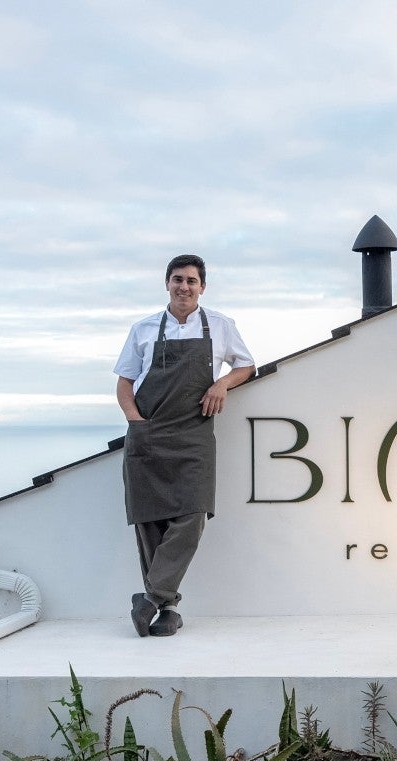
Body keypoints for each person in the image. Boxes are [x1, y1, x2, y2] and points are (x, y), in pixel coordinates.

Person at [113, 254, 255, 637]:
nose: (184, 287)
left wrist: (221, 384)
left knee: (192, 515)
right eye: (177, 279)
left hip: (193, 434)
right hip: (149, 431)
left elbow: (246, 365)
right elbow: (125, 382)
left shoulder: (221, 326)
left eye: (192, 281)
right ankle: (167, 610)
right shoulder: (143, 328)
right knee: (149, 521)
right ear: (167, 283)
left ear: (202, 287)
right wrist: (135, 421)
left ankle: (149, 597)